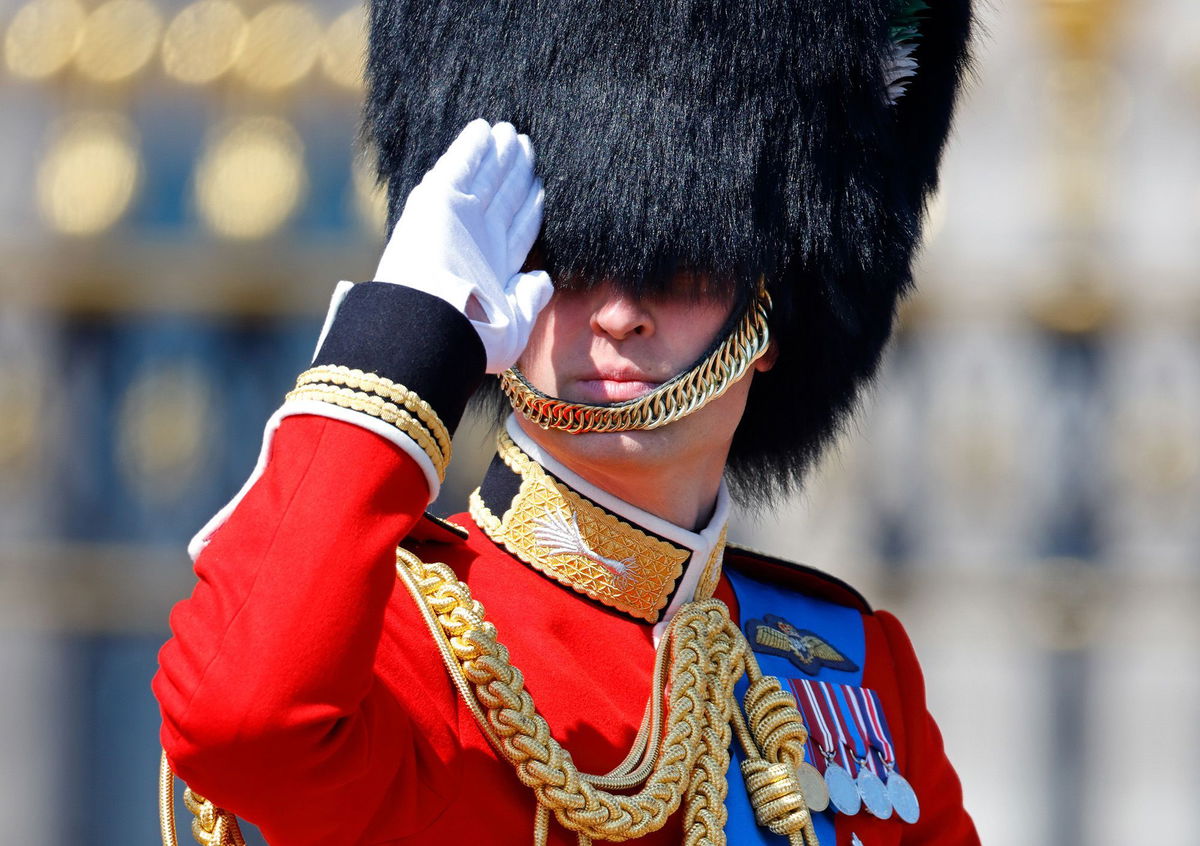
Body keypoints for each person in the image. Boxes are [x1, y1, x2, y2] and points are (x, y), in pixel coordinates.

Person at [153, 2, 979, 844]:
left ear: (769, 315)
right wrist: (406, 328)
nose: (619, 314)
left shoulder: (850, 672)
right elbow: (241, 724)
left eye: (684, 265)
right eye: (568, 260)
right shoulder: (402, 642)